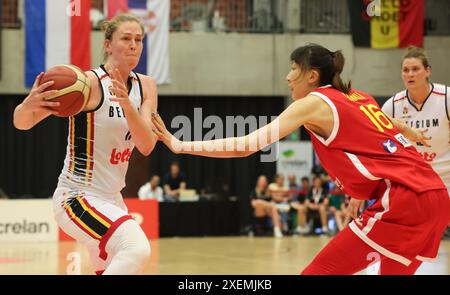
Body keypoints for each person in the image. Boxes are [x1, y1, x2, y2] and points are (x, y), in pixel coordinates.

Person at [152, 43, 449, 275]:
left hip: (405, 200)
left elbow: (246, 145)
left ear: (312, 75)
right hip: (435, 195)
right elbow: (384, 126)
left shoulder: (314, 103)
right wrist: (406, 130)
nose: (288, 76)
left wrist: (180, 145)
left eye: (294, 68)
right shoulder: (359, 96)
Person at [13, 14, 158, 275]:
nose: (134, 45)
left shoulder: (146, 86)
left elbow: (146, 144)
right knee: (136, 248)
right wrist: (28, 104)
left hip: (112, 200)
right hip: (76, 196)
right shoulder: (87, 84)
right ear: (107, 45)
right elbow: (22, 123)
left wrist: (127, 105)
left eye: (139, 39)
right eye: (126, 38)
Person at [382, 46, 449, 194]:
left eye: (415, 69)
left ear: (428, 71)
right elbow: (378, 144)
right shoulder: (392, 106)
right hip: (412, 178)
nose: (410, 74)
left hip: (446, 176)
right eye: (405, 70)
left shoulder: (446, 98)